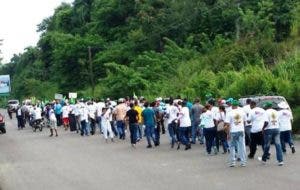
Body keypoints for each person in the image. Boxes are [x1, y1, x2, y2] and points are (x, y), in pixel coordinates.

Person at [224, 100, 247, 167]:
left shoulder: (229, 113)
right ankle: (243, 162)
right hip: (241, 131)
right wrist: (243, 129)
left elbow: (227, 124)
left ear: (232, 105)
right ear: (237, 105)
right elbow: (245, 122)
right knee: (242, 146)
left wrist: (228, 134)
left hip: (233, 131)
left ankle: (233, 162)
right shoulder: (242, 112)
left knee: (232, 147)